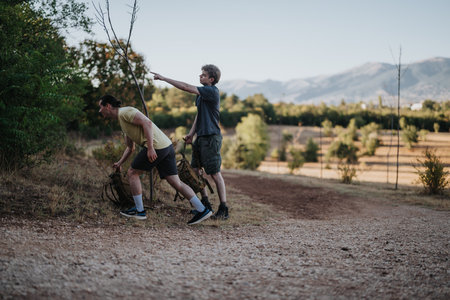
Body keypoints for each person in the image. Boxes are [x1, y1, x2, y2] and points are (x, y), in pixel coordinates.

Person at [98, 95, 212, 225]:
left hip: (157, 147)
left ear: (108, 106)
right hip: (166, 147)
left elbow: (147, 123)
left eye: (100, 107)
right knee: (176, 182)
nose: (99, 110)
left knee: (132, 173)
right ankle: (202, 209)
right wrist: (119, 162)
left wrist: (150, 148)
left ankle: (139, 211)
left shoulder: (125, 112)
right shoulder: (122, 120)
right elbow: (130, 147)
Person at [151, 64, 229, 220]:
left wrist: (164, 78)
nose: (200, 76)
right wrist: (192, 134)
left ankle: (224, 208)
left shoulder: (212, 91)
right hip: (200, 137)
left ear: (211, 79)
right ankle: (205, 203)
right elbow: (199, 115)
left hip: (211, 138)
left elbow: (186, 87)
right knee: (194, 171)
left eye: (203, 75)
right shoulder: (201, 95)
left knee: (214, 173)